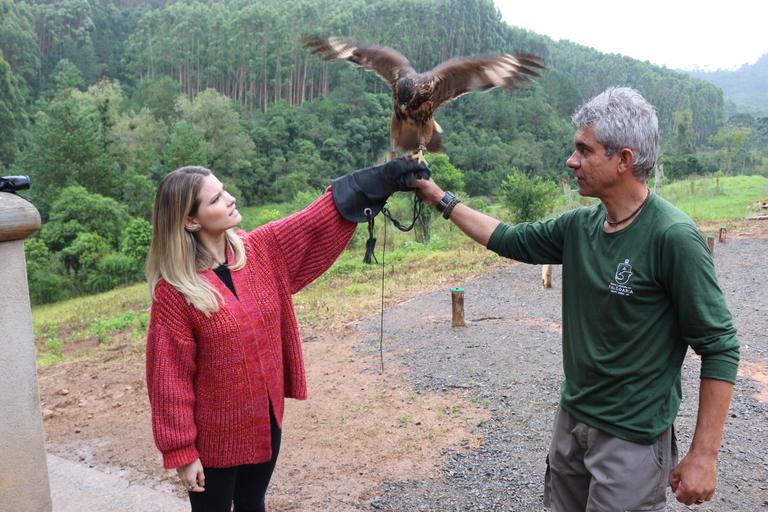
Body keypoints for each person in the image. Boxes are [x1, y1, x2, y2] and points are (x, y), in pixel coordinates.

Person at [409, 87, 740, 511]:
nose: (572, 161)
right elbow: (509, 238)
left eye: (584, 150)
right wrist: (438, 195)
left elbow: (720, 347)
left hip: (631, 439)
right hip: (573, 422)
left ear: (623, 160)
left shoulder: (672, 237)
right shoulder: (580, 226)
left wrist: (704, 456)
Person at [145, 159, 428, 512]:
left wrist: (378, 181)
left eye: (224, 190)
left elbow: (312, 222)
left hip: (266, 420)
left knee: (252, 503)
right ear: (190, 220)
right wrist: (182, 453)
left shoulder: (259, 251)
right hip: (215, 437)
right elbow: (169, 381)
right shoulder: (175, 293)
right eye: (216, 199)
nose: (230, 199)